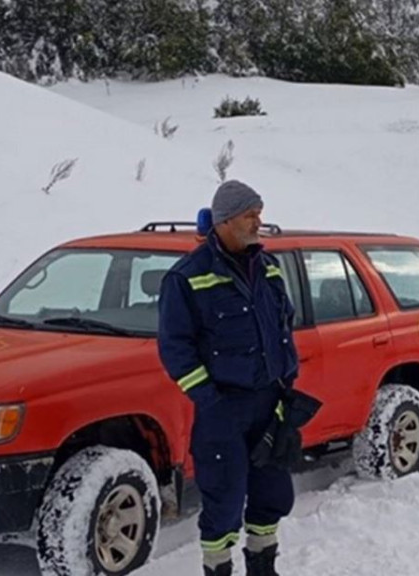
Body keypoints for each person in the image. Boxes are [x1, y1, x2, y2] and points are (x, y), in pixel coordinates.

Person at [157, 180, 299, 576]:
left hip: (269, 403)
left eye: (259, 213)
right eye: (250, 215)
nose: (258, 222)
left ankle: (262, 567)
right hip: (223, 408)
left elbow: (284, 324)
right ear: (224, 220)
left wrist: (287, 382)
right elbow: (175, 348)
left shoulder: (269, 268)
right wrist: (209, 400)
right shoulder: (187, 277)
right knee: (224, 498)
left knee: (271, 493)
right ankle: (218, 569)